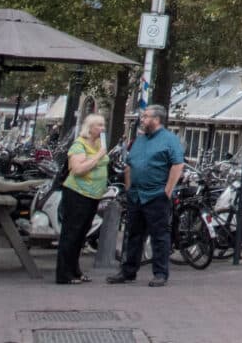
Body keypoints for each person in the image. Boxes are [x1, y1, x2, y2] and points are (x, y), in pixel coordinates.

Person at [108, 105, 185, 287]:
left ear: (156, 120)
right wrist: (128, 186)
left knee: (159, 236)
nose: (142, 120)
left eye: (145, 117)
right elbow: (129, 163)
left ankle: (160, 273)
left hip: (155, 195)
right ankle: (128, 271)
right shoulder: (139, 140)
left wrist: (167, 191)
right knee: (133, 234)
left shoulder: (169, 140)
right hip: (136, 195)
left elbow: (177, 165)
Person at [56, 112, 108, 285]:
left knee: (81, 233)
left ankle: (75, 270)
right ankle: (64, 274)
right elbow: (77, 169)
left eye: (103, 124)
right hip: (77, 193)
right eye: (99, 125)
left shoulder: (100, 143)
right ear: (90, 128)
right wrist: (99, 156)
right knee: (71, 232)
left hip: (93, 194)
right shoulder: (79, 144)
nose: (102, 128)